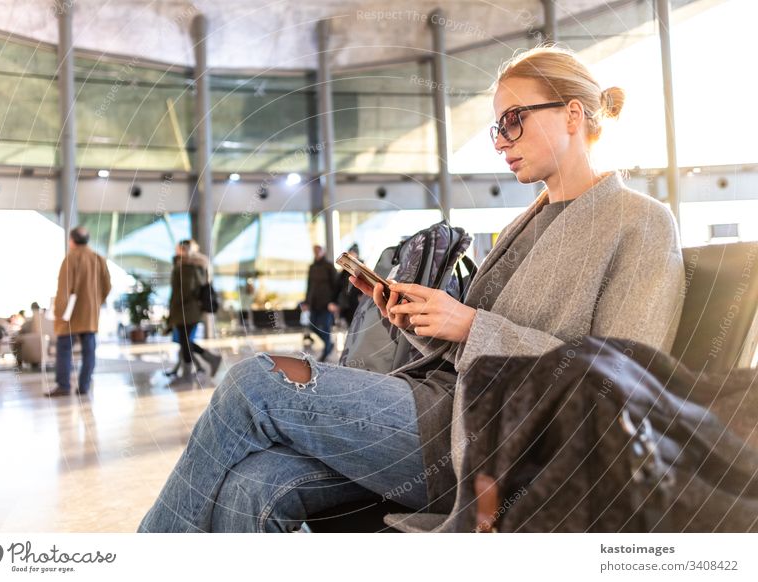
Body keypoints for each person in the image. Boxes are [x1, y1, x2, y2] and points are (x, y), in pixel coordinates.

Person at [138, 46, 684, 533]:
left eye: (513, 121)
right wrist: (422, 321)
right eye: (497, 128)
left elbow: (625, 388)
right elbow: (470, 345)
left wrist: (469, 325)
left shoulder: (639, 223)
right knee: (254, 484)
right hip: (446, 410)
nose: (501, 142)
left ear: (571, 114)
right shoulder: (528, 222)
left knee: (255, 382)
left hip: (500, 440)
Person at [46, 227, 111, 397]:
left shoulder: (70, 258)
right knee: (89, 351)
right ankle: (84, 386)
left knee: (64, 349)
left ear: (72, 241)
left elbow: (64, 289)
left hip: (71, 315)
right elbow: (107, 286)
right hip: (90, 315)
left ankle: (63, 385)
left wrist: (59, 313)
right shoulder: (98, 259)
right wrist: (96, 302)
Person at [167, 239, 222, 384]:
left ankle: (189, 372)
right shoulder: (194, 265)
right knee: (185, 341)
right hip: (189, 309)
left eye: (180, 248)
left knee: (185, 341)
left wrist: (172, 310)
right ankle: (209, 360)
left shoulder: (186, 266)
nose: (177, 250)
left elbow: (182, 291)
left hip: (185, 309)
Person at [301, 244, 340, 362]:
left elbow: (336, 286)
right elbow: (309, 285)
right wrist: (306, 302)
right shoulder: (312, 267)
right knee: (312, 325)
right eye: (315, 251)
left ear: (323, 252)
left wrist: (334, 302)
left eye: (319, 251)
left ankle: (326, 351)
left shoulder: (329, 266)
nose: (317, 253)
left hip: (327, 304)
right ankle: (329, 344)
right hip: (314, 303)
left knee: (325, 328)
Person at [336, 243, 362, 327]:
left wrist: (361, 296)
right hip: (346, 304)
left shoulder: (361, 268)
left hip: (356, 303)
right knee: (348, 327)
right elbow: (338, 286)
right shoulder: (344, 270)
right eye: (349, 253)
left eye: (352, 253)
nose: (351, 255)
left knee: (357, 326)